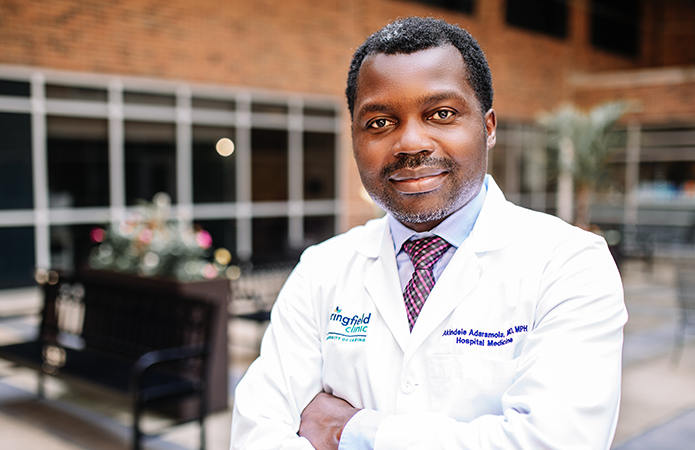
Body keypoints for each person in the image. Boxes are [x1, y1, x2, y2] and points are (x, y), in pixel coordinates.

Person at [231, 17, 627, 450]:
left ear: (488, 127)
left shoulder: (570, 264)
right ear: (354, 138)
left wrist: (353, 432)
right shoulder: (321, 269)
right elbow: (257, 432)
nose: (411, 143)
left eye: (441, 114)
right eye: (380, 122)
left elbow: (555, 442)